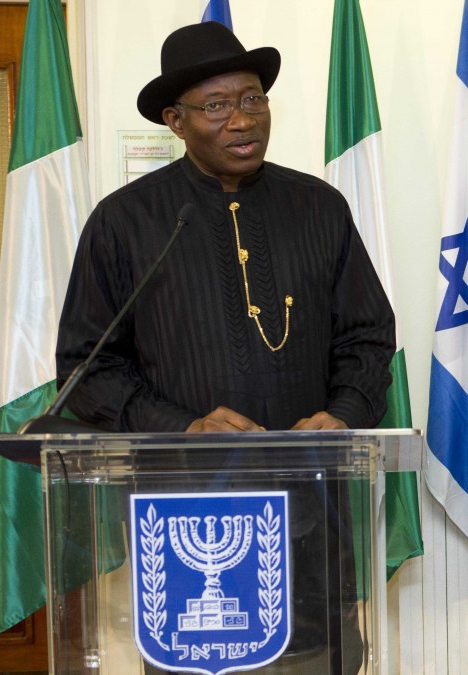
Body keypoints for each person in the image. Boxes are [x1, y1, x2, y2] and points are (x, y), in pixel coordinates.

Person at [54, 22, 394, 672]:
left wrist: (345, 411)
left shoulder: (320, 208)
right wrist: (182, 426)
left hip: (311, 520)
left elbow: (368, 336)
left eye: (253, 99)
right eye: (218, 106)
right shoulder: (125, 223)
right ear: (175, 121)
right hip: (191, 524)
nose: (243, 120)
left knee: (318, 658)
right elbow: (87, 368)